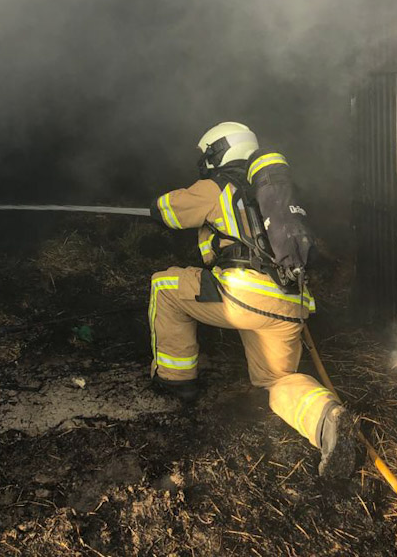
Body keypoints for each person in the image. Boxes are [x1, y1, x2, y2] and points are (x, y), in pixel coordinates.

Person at [148, 121, 356, 478]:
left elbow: (169, 209)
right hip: (290, 304)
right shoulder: (273, 193)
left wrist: (155, 209)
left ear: (218, 152)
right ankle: (326, 419)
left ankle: (176, 379)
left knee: (164, 285)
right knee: (276, 380)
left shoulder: (218, 185)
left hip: (242, 297)